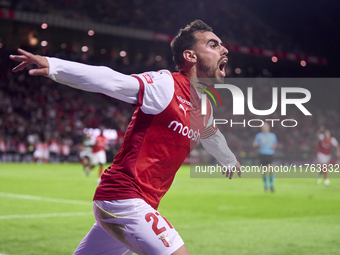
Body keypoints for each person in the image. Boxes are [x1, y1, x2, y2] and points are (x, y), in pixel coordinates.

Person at [10, 20, 241, 255]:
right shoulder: (166, 85)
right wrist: (54, 66)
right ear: (190, 56)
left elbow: (211, 133)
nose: (224, 49)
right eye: (213, 44)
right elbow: (111, 80)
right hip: (124, 198)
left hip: (132, 203)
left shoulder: (205, 106)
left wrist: (228, 158)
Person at [253, 122, 278, 192]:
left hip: (270, 154)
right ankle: (266, 186)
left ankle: (271, 185)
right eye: (263, 127)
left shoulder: (272, 136)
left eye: (265, 127)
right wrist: (258, 144)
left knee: (271, 170)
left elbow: (275, 144)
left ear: (268, 128)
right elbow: (254, 145)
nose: (264, 128)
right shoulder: (259, 136)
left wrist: (274, 146)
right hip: (262, 154)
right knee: (264, 171)